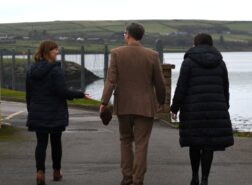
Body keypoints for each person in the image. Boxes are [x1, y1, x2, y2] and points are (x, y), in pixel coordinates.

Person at [100, 22, 166, 185]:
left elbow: (111, 80)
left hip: (124, 105)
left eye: (124, 33)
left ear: (128, 35)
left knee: (125, 140)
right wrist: (161, 101)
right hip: (145, 106)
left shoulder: (116, 53)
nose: (124, 35)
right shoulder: (153, 55)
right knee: (142, 144)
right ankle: (138, 180)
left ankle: (127, 177)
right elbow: (160, 83)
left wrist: (104, 102)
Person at [170, 33, 234, 185]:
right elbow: (225, 87)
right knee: (208, 145)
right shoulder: (220, 63)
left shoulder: (188, 62)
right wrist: (225, 105)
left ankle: (194, 177)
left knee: (195, 143)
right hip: (215, 109)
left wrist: (175, 107)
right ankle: (205, 178)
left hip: (193, 109)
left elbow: (181, 87)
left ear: (195, 44)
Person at [26, 40, 89, 185]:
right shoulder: (56, 69)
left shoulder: (31, 69)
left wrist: (31, 110)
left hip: (38, 112)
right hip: (55, 112)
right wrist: (81, 94)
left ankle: (40, 173)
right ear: (48, 51)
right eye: (55, 50)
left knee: (41, 143)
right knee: (56, 143)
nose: (57, 52)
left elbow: (29, 94)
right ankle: (56, 172)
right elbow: (62, 92)